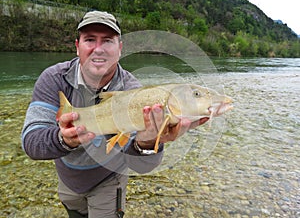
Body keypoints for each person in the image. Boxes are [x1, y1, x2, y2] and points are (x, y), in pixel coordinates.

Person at [21, 11, 208, 218]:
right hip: (68, 180)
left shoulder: (133, 91)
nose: (98, 49)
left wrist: (146, 144)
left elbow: (142, 166)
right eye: (90, 39)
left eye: (108, 41)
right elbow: (31, 143)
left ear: (119, 49)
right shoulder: (54, 79)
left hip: (108, 180)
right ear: (77, 47)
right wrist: (63, 139)